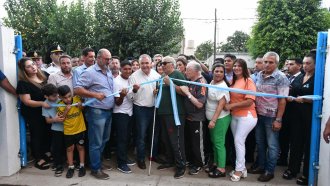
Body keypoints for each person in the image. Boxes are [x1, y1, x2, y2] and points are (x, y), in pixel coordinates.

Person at [74, 48, 114, 180]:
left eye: (110, 59)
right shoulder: (90, 72)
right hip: (96, 111)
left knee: (104, 139)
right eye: (106, 59)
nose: (109, 61)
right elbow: (77, 89)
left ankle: (96, 163)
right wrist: (95, 94)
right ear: (99, 58)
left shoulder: (107, 71)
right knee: (96, 142)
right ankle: (95, 169)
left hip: (108, 111)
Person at [251, 51, 290, 182]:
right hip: (259, 114)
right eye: (265, 62)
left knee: (272, 146)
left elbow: (282, 100)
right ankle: (261, 166)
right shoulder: (259, 75)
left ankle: (269, 171)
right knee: (260, 143)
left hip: (272, 116)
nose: (267, 64)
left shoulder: (281, 77)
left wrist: (278, 119)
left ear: (277, 63)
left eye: (270, 62)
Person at [283, 53, 315, 185]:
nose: (306, 66)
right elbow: (294, 91)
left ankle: (307, 174)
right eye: (304, 63)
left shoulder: (318, 79)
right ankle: (292, 169)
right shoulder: (300, 76)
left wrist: (306, 100)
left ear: (315, 64)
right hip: (295, 116)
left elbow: (322, 99)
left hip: (309, 117)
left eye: (309, 63)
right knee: (295, 143)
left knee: (308, 146)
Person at [224, 59, 258, 181]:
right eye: (235, 66)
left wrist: (231, 106)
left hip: (247, 116)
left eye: (239, 66)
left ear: (244, 68)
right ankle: (241, 169)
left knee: (239, 141)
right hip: (235, 116)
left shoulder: (248, 81)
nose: (236, 68)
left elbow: (250, 101)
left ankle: (239, 170)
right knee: (238, 142)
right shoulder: (233, 81)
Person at [16, 57, 52, 170]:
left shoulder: (45, 75)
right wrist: (42, 103)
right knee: (37, 134)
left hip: (47, 111)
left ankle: (46, 153)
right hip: (34, 113)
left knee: (48, 132)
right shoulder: (23, 83)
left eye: (33, 64)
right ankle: (38, 158)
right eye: (28, 66)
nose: (33, 67)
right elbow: (26, 101)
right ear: (24, 70)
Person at [128, 54, 160, 169]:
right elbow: (130, 97)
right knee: (141, 135)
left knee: (154, 134)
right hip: (140, 109)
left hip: (154, 108)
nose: (145, 65)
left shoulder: (156, 75)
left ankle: (153, 155)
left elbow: (160, 92)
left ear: (151, 63)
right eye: (142, 63)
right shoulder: (134, 76)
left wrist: (158, 92)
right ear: (139, 64)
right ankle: (141, 158)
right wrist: (134, 90)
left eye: (147, 63)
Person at [157, 56, 186, 179]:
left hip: (175, 114)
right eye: (161, 63)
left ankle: (181, 166)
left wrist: (171, 84)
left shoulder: (178, 74)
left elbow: (185, 91)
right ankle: (169, 161)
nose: (162, 65)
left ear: (172, 64)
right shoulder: (161, 77)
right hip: (163, 113)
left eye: (165, 63)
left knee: (176, 140)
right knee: (166, 139)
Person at [180, 61, 207, 175]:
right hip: (189, 117)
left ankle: (200, 164)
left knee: (197, 144)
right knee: (190, 143)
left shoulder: (201, 83)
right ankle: (192, 161)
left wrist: (187, 93)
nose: (186, 72)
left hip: (197, 119)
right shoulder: (191, 81)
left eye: (188, 70)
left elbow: (200, 104)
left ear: (196, 71)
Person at [205, 63, 231, 178]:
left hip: (220, 119)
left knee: (219, 143)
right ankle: (216, 163)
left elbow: (221, 105)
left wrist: (213, 120)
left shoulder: (222, 86)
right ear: (212, 72)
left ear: (224, 73)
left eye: (221, 72)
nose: (219, 73)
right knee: (214, 142)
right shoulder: (212, 82)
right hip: (212, 118)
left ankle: (221, 169)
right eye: (216, 71)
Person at [57, 85, 86, 178]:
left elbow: (83, 110)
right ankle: (71, 167)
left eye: (69, 96)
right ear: (60, 97)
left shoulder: (77, 99)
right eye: (65, 98)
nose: (68, 99)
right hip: (69, 131)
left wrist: (81, 106)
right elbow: (61, 119)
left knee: (81, 147)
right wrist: (66, 110)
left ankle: (82, 166)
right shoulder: (60, 105)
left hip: (80, 129)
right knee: (69, 149)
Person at [278, 58, 303, 167]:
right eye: (287, 64)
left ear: (299, 66)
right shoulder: (286, 77)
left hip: (296, 114)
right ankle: (282, 159)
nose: (288, 66)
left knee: (294, 141)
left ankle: (293, 165)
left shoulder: (303, 78)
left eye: (291, 64)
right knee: (283, 138)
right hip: (285, 113)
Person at [113, 61, 134, 174]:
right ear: (121, 69)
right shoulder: (117, 82)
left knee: (126, 138)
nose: (127, 71)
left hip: (129, 112)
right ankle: (121, 163)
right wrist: (121, 96)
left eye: (129, 69)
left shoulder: (131, 79)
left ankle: (124, 157)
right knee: (121, 139)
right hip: (120, 113)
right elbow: (117, 103)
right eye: (125, 69)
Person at [41, 84, 65, 177]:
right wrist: (55, 119)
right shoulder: (45, 104)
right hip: (56, 129)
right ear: (46, 96)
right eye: (54, 96)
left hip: (68, 128)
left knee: (68, 147)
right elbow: (47, 121)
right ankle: (58, 165)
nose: (56, 97)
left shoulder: (62, 100)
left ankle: (69, 162)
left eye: (57, 95)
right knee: (56, 148)